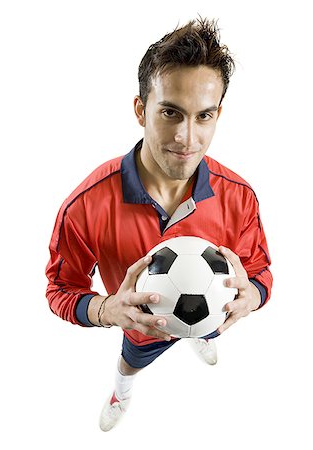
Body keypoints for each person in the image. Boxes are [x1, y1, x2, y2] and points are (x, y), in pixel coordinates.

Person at [45, 17, 273, 432]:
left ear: (218, 113)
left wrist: (251, 298)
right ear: (140, 109)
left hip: (211, 312)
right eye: (170, 112)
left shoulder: (239, 196)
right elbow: (59, 290)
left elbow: (260, 272)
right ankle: (121, 391)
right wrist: (106, 309)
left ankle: (202, 336)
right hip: (142, 329)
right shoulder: (86, 203)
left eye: (204, 116)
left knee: (206, 325)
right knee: (129, 367)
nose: (188, 137)